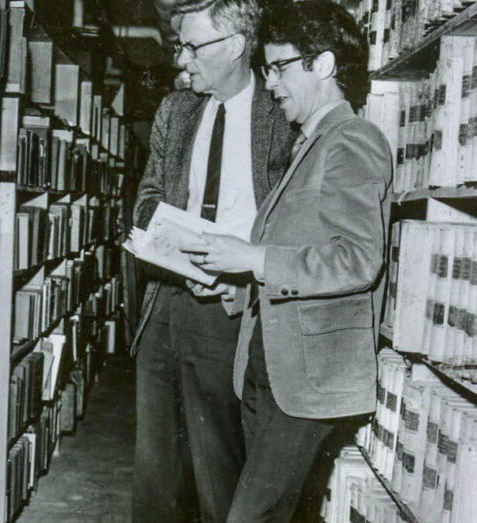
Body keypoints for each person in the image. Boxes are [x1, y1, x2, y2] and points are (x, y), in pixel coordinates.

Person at [184, 1, 393, 520]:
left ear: (321, 65)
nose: (271, 83)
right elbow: (297, 252)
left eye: (279, 68)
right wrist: (236, 283)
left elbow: (357, 259)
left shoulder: (352, 140)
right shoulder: (310, 143)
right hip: (269, 368)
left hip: (307, 379)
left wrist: (252, 258)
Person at [130, 0, 295, 520]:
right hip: (167, 302)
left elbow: (294, 221)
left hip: (233, 306)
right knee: (155, 468)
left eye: (193, 46)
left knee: (219, 464)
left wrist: (241, 271)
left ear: (237, 46)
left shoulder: (283, 115)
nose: (183, 59)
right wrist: (171, 241)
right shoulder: (175, 111)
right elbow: (146, 196)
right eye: (180, 45)